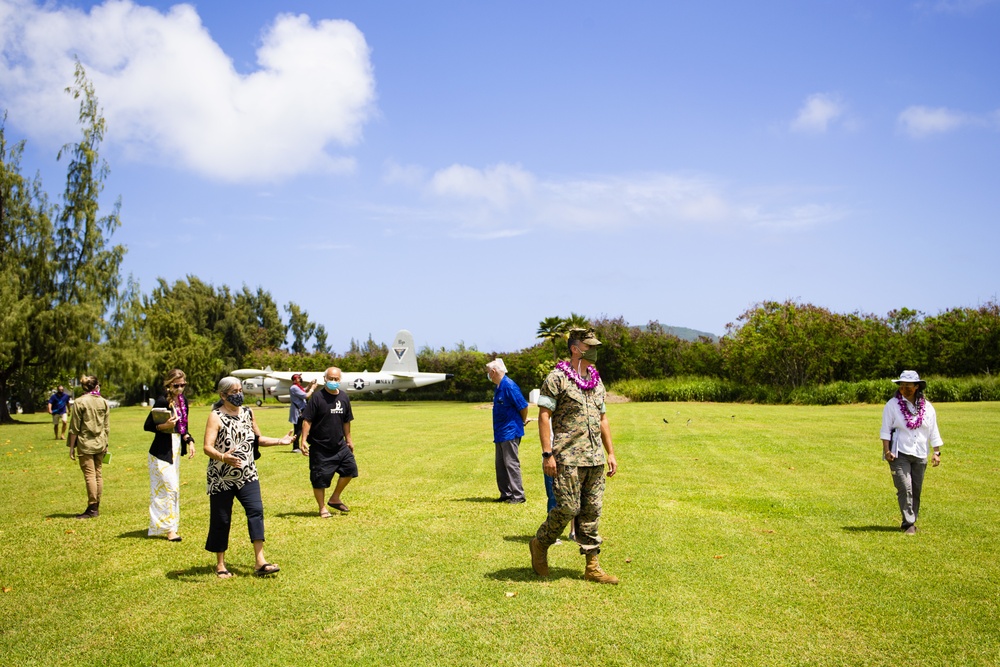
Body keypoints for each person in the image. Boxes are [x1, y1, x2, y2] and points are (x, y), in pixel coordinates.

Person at [530, 328, 619, 584]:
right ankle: (540, 543)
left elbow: (603, 419)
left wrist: (610, 452)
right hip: (567, 457)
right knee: (568, 508)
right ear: (574, 348)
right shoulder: (557, 378)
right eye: (588, 344)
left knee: (591, 512)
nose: (593, 349)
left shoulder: (596, 379)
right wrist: (548, 454)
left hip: (595, 459)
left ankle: (592, 566)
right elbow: (544, 416)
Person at [203, 376, 293, 578]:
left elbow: (257, 439)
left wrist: (281, 441)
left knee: (256, 511)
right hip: (221, 477)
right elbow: (207, 447)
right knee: (222, 519)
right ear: (223, 395)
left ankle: (260, 562)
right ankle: (220, 564)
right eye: (233, 392)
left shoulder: (248, 413)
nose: (239, 395)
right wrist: (223, 457)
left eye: (240, 390)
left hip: (247, 474)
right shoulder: (215, 416)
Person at [880, 370, 943, 535]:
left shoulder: (928, 407)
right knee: (905, 487)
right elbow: (885, 430)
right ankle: (909, 523)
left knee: (916, 489)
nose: (904, 388)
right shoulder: (892, 405)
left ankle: (909, 520)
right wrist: (886, 451)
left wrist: (937, 452)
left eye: (908, 385)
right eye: (902, 385)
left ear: (916, 387)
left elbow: (933, 430)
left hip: (920, 452)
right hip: (899, 452)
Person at [144, 369, 195, 542]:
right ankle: (170, 530)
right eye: (176, 385)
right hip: (160, 452)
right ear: (168, 384)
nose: (180, 389)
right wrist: (164, 426)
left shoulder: (183, 401)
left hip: (175, 451)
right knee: (169, 488)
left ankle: (169, 526)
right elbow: (148, 425)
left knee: (173, 490)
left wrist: (189, 440)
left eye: (183, 385)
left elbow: (183, 428)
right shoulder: (161, 401)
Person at [301, 367, 357, 517]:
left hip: (339, 445)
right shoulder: (318, 398)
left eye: (336, 379)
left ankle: (335, 498)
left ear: (340, 380)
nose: (333, 381)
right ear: (325, 379)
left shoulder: (344, 397)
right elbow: (307, 420)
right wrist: (303, 440)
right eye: (330, 378)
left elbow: (346, 421)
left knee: (350, 469)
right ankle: (322, 507)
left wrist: (349, 440)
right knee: (319, 479)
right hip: (320, 447)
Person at [67, 375, 110, 519]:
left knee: (90, 475)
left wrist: (71, 447)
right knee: (98, 474)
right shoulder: (103, 402)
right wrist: (106, 443)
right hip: (101, 442)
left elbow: (74, 428)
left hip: (85, 443)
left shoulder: (79, 402)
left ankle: (92, 508)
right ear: (96, 386)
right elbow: (106, 426)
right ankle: (96, 505)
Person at [487, 358, 528, 504]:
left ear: (493, 371)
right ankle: (506, 493)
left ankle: (518, 496)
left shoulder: (509, 386)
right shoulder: (499, 387)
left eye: (488, 373)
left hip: (510, 431)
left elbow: (523, 406)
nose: (488, 376)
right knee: (500, 464)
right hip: (500, 433)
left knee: (511, 464)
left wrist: (522, 421)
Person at [288, 373, 317, 453]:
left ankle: (308, 442)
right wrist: (312, 388)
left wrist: (310, 384)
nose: (300, 379)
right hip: (298, 411)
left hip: (302, 410)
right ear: (294, 380)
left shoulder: (297, 387)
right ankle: (295, 447)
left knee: (308, 425)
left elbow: (304, 390)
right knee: (298, 429)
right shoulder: (294, 387)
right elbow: (306, 395)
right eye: (298, 378)